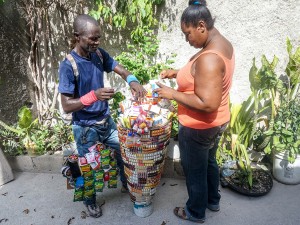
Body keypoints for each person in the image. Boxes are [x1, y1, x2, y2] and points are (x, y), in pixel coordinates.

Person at [154, 0, 235, 223]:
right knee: (209, 161)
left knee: (195, 170)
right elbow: (202, 75)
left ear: (201, 26)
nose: (187, 39)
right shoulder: (220, 42)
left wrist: (173, 94)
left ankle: (195, 212)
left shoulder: (209, 59)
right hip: (217, 123)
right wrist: (177, 73)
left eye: (187, 34)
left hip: (199, 126)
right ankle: (213, 201)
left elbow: (207, 102)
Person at [58, 14, 145, 218]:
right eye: (92, 38)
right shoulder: (68, 66)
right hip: (86, 129)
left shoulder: (98, 54)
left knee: (125, 152)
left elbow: (119, 69)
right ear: (77, 36)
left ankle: (127, 184)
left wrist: (132, 80)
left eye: (99, 38)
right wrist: (93, 96)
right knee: (89, 168)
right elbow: (66, 105)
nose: (97, 42)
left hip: (107, 123)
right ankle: (90, 202)